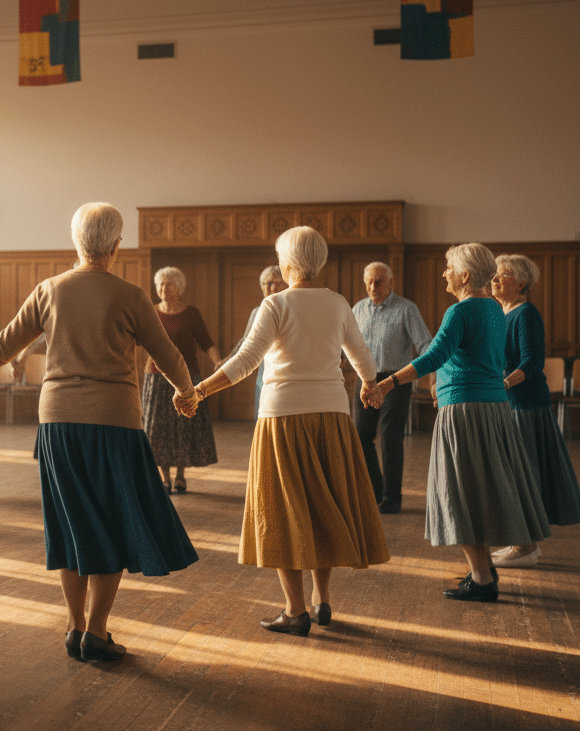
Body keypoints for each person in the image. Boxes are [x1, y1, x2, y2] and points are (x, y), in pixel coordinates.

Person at [0, 202, 200, 662]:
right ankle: (96, 631)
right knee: (113, 522)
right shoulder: (131, 295)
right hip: (115, 423)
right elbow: (169, 354)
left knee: (69, 521)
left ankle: (74, 626)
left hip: (57, 424)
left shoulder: (50, 290)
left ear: (76, 243)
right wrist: (187, 393)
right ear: (116, 246)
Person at [179, 226, 389, 637]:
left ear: (287, 263)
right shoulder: (339, 303)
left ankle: (295, 611)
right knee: (324, 507)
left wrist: (199, 391)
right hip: (331, 418)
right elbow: (363, 358)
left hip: (283, 420)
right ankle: (321, 600)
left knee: (283, 513)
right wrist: (369, 386)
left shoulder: (275, 305)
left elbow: (244, 363)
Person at [375, 243, 550, 603]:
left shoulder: (461, 312)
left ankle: (483, 577)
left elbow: (433, 357)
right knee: (481, 490)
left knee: (460, 492)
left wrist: (389, 382)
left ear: (466, 276)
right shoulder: (494, 310)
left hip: (464, 411)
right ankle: (482, 571)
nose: (444, 273)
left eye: (449, 267)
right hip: (493, 409)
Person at [491, 254, 580, 568]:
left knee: (523, 475)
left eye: (502, 275)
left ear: (521, 283)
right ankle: (521, 540)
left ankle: (527, 547)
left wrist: (503, 384)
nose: (495, 279)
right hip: (509, 404)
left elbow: (531, 363)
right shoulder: (500, 313)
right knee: (513, 474)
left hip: (525, 405)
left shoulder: (526, 313)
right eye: (495, 273)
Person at [352, 262, 433, 515]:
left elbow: (425, 344)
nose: (373, 287)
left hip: (395, 381)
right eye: (369, 282)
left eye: (379, 281)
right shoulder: (357, 309)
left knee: (390, 438)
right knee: (361, 435)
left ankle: (391, 498)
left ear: (391, 282)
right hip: (365, 380)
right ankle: (375, 491)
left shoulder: (406, 309)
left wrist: (434, 377)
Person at [142, 267, 219, 494]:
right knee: (158, 429)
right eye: (160, 285)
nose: (163, 289)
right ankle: (164, 478)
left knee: (184, 426)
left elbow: (206, 343)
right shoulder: (151, 312)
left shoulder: (191, 313)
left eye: (168, 284)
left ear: (179, 287)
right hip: (156, 377)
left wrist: (219, 362)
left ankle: (181, 476)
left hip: (187, 377)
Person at [227, 265, 286, 419]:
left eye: (276, 283)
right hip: (264, 371)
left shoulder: (290, 308)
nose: (271, 288)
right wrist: (228, 359)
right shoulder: (257, 311)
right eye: (266, 284)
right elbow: (246, 340)